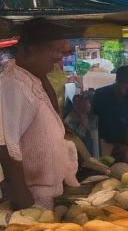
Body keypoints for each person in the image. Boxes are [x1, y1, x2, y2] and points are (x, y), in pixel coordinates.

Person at [0, 18, 78, 210]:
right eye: (54, 55)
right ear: (32, 50)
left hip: (50, 194)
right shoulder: (12, 85)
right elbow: (5, 143)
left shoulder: (34, 79)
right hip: (32, 199)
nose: (57, 61)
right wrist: (23, 199)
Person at [92, 64, 128, 155]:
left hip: (125, 140)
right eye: (122, 82)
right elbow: (94, 117)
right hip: (103, 140)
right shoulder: (101, 94)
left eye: (127, 83)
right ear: (117, 79)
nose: (124, 86)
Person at [65, 93, 99, 158]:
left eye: (85, 114)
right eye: (82, 113)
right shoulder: (70, 119)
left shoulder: (89, 117)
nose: (84, 115)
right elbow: (67, 125)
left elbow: (92, 132)